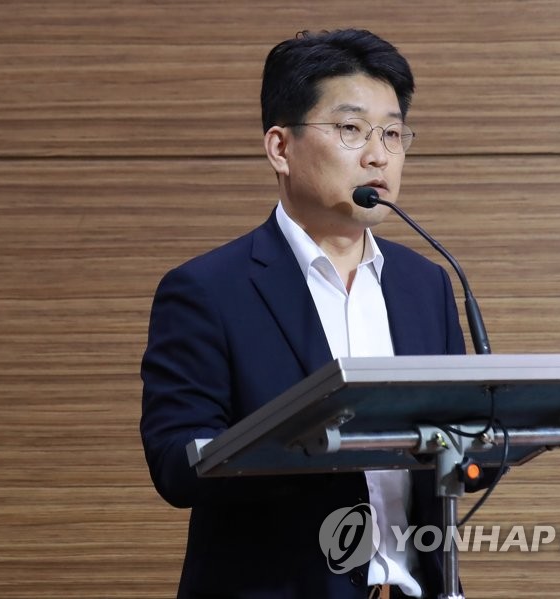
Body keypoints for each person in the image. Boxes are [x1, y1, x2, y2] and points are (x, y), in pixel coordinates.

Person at [141, 29, 469, 599]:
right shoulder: (207, 291)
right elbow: (176, 465)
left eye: (393, 133)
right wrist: (308, 437)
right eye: (351, 129)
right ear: (280, 148)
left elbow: (462, 450)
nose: (378, 155)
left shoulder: (426, 283)